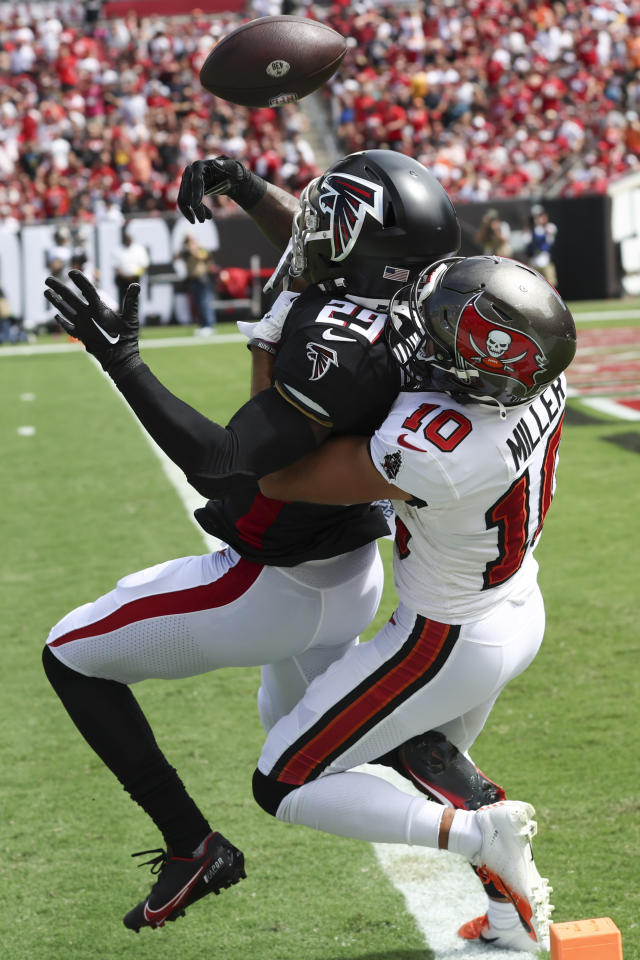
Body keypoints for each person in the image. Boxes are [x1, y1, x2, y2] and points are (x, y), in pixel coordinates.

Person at [42, 148, 474, 935]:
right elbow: (324, 246)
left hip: (271, 584)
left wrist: (122, 361)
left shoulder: (338, 344)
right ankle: (455, 799)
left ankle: (190, 845)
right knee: (312, 729)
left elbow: (222, 466)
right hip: (351, 568)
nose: (307, 223)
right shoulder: (425, 293)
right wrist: (243, 187)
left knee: (68, 652)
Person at [254, 255, 577, 953]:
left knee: (283, 781)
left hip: (443, 639)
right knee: (420, 761)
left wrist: (272, 342)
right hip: (516, 604)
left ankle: (479, 836)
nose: (419, 339)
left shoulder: (435, 445)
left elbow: (280, 477)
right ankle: (511, 922)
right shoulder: (538, 380)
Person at [173, 233, 217, 333]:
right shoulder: (185, 251)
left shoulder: (201, 248)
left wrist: (192, 249)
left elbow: (201, 257)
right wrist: (183, 248)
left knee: (204, 302)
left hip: (202, 278)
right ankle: (203, 325)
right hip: (193, 280)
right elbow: (175, 257)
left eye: (190, 240)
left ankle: (209, 325)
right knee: (197, 304)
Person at [113, 227, 149, 308]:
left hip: (135, 280)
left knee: (134, 302)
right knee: (122, 300)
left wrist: (135, 275)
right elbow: (116, 268)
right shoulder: (118, 250)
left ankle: (133, 320)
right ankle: (122, 320)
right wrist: (125, 277)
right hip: (122, 280)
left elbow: (144, 266)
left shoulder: (139, 249)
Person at [526, 204, 558, 288]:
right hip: (534, 261)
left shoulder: (549, 227)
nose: (538, 219)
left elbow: (551, 232)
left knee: (551, 285)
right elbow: (526, 242)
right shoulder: (530, 230)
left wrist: (543, 226)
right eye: (535, 217)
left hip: (545, 260)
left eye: (540, 216)